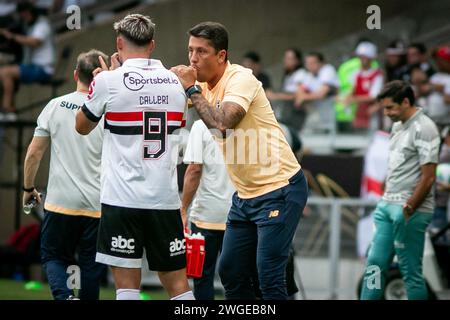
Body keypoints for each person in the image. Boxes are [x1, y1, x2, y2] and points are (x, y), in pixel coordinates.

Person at [172, 21, 308, 300]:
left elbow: (222, 124)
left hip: (279, 189)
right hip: (245, 196)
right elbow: (160, 98)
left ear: (221, 55)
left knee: (268, 276)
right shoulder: (199, 84)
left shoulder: (240, 78)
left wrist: (190, 90)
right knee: (231, 271)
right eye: (190, 51)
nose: (193, 59)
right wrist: (118, 77)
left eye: (201, 51)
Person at [75, 14, 194, 300]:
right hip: (164, 199)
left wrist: (101, 83)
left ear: (119, 43)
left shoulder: (107, 82)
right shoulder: (176, 83)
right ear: (152, 44)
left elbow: (81, 126)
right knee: (178, 286)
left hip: (122, 198)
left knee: (127, 287)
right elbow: (178, 128)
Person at [22, 49, 108, 300]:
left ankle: (64, 296)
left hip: (61, 203)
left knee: (53, 256)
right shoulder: (109, 111)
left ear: (75, 75)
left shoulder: (55, 105)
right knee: (91, 268)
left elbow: (34, 154)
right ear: (100, 77)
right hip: (97, 204)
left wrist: (28, 188)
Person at [360, 80, 439, 300]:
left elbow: (429, 176)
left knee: (410, 272)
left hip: (409, 210)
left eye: (390, 107)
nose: (386, 113)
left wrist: (410, 207)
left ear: (406, 101)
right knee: (374, 264)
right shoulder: (397, 125)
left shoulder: (425, 128)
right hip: (387, 206)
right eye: (385, 108)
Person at [181, 119, 236, 300]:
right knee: (238, 280)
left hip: (206, 214)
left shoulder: (200, 125)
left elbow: (194, 169)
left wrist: (183, 208)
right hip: (239, 214)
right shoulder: (247, 120)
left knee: (202, 278)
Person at [0, 1, 55, 120]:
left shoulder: (42, 24)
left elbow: (34, 42)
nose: (24, 16)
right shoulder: (28, 26)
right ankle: (9, 109)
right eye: (22, 14)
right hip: (33, 67)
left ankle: (7, 110)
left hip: (43, 69)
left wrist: (12, 36)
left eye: (25, 13)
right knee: (5, 72)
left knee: (5, 72)